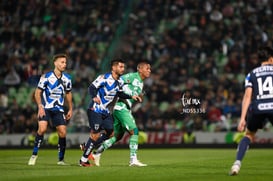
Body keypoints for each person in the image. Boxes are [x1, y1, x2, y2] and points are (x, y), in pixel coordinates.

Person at [79, 58, 142, 167]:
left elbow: (120, 94)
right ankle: (83, 160)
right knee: (95, 134)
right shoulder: (104, 78)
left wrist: (132, 96)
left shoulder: (120, 81)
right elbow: (91, 88)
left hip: (106, 111)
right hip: (96, 109)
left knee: (111, 133)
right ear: (113, 67)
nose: (123, 69)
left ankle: (87, 146)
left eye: (123, 67)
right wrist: (94, 97)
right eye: (120, 67)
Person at [90, 61, 151, 167]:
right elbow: (118, 81)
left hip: (124, 108)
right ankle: (133, 160)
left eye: (150, 69)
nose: (149, 71)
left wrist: (137, 96)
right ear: (139, 69)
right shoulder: (132, 76)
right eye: (147, 68)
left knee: (117, 136)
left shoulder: (141, 83)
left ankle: (97, 153)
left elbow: (131, 92)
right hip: (120, 107)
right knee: (134, 131)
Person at [229, 46, 273, 175]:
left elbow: (247, 96)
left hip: (258, 108)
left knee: (248, 135)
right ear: (271, 59)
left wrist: (242, 119)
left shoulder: (251, 74)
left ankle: (237, 164)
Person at [28, 53, 73, 166]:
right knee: (42, 129)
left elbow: (68, 93)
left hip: (58, 109)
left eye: (65, 62)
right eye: (62, 62)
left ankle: (61, 160)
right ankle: (34, 155)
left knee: (62, 132)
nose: (64, 64)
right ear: (55, 63)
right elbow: (37, 93)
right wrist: (40, 106)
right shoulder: (46, 77)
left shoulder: (67, 78)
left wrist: (71, 109)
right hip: (45, 108)